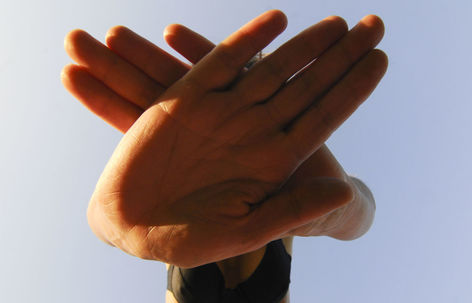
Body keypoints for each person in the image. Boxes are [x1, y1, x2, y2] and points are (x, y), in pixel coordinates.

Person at [62, 10, 386, 303]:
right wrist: (111, 223)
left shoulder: (291, 179)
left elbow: (362, 214)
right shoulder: (179, 184)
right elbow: (103, 217)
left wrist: (338, 207)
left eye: (253, 71)